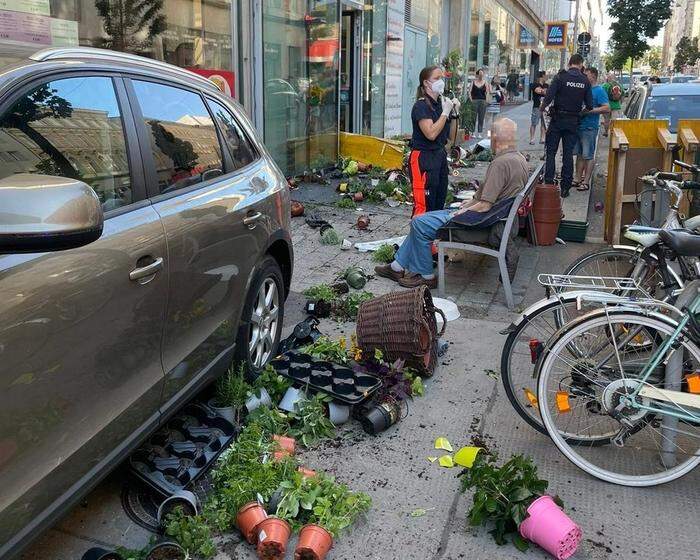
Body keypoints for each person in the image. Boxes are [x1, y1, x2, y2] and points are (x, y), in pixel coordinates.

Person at [374, 118, 529, 289]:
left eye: (491, 135)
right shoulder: (519, 159)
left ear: (497, 138)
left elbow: (485, 205)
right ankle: (396, 267)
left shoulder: (501, 163)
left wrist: (460, 212)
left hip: (483, 226)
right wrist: (468, 204)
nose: (490, 139)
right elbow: (488, 200)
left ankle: (426, 276)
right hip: (496, 221)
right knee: (424, 220)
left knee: (419, 222)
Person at [408, 65, 460, 216]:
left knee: (438, 202)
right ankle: (418, 238)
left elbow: (451, 137)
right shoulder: (421, 106)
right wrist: (445, 113)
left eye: (441, 78)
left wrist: (454, 113)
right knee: (423, 205)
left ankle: (432, 237)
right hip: (423, 159)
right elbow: (430, 133)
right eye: (436, 78)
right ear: (426, 83)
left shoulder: (441, 104)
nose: (441, 82)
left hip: (439, 157)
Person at [540, 54, 593, 198]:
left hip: (557, 120)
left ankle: (549, 184)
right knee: (568, 155)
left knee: (551, 153)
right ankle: (565, 188)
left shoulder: (560, 77)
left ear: (569, 63)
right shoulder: (585, 81)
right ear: (581, 64)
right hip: (573, 122)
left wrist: (542, 108)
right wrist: (579, 114)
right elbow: (589, 105)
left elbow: (549, 97)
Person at [572, 67, 610, 191]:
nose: (584, 76)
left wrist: (590, 110)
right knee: (579, 154)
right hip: (579, 125)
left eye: (586, 74)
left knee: (588, 155)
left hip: (589, 127)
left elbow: (606, 108)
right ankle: (577, 178)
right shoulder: (583, 88)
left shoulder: (599, 91)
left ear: (593, 76)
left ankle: (586, 181)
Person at [529, 71, 548, 145]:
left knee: (543, 123)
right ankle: (532, 138)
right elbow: (539, 91)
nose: (547, 77)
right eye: (546, 76)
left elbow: (547, 92)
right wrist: (544, 91)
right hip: (537, 106)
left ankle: (542, 138)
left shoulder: (546, 85)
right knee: (534, 123)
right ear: (542, 76)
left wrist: (543, 91)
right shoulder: (535, 84)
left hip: (545, 107)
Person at [469, 69, 489, 137]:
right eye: (480, 73)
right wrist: (471, 100)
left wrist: (486, 100)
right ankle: (472, 132)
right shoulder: (473, 82)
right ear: (477, 74)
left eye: (482, 73)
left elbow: (487, 92)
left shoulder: (485, 82)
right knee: (473, 117)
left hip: (482, 101)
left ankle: (479, 133)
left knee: (481, 117)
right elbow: (469, 91)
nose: (481, 75)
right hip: (475, 100)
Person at [601, 72, 622, 137]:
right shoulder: (619, 85)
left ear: (607, 78)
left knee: (606, 120)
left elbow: (601, 95)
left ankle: (606, 132)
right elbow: (623, 94)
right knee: (614, 121)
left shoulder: (604, 86)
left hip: (606, 106)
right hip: (616, 106)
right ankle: (613, 133)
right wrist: (619, 102)